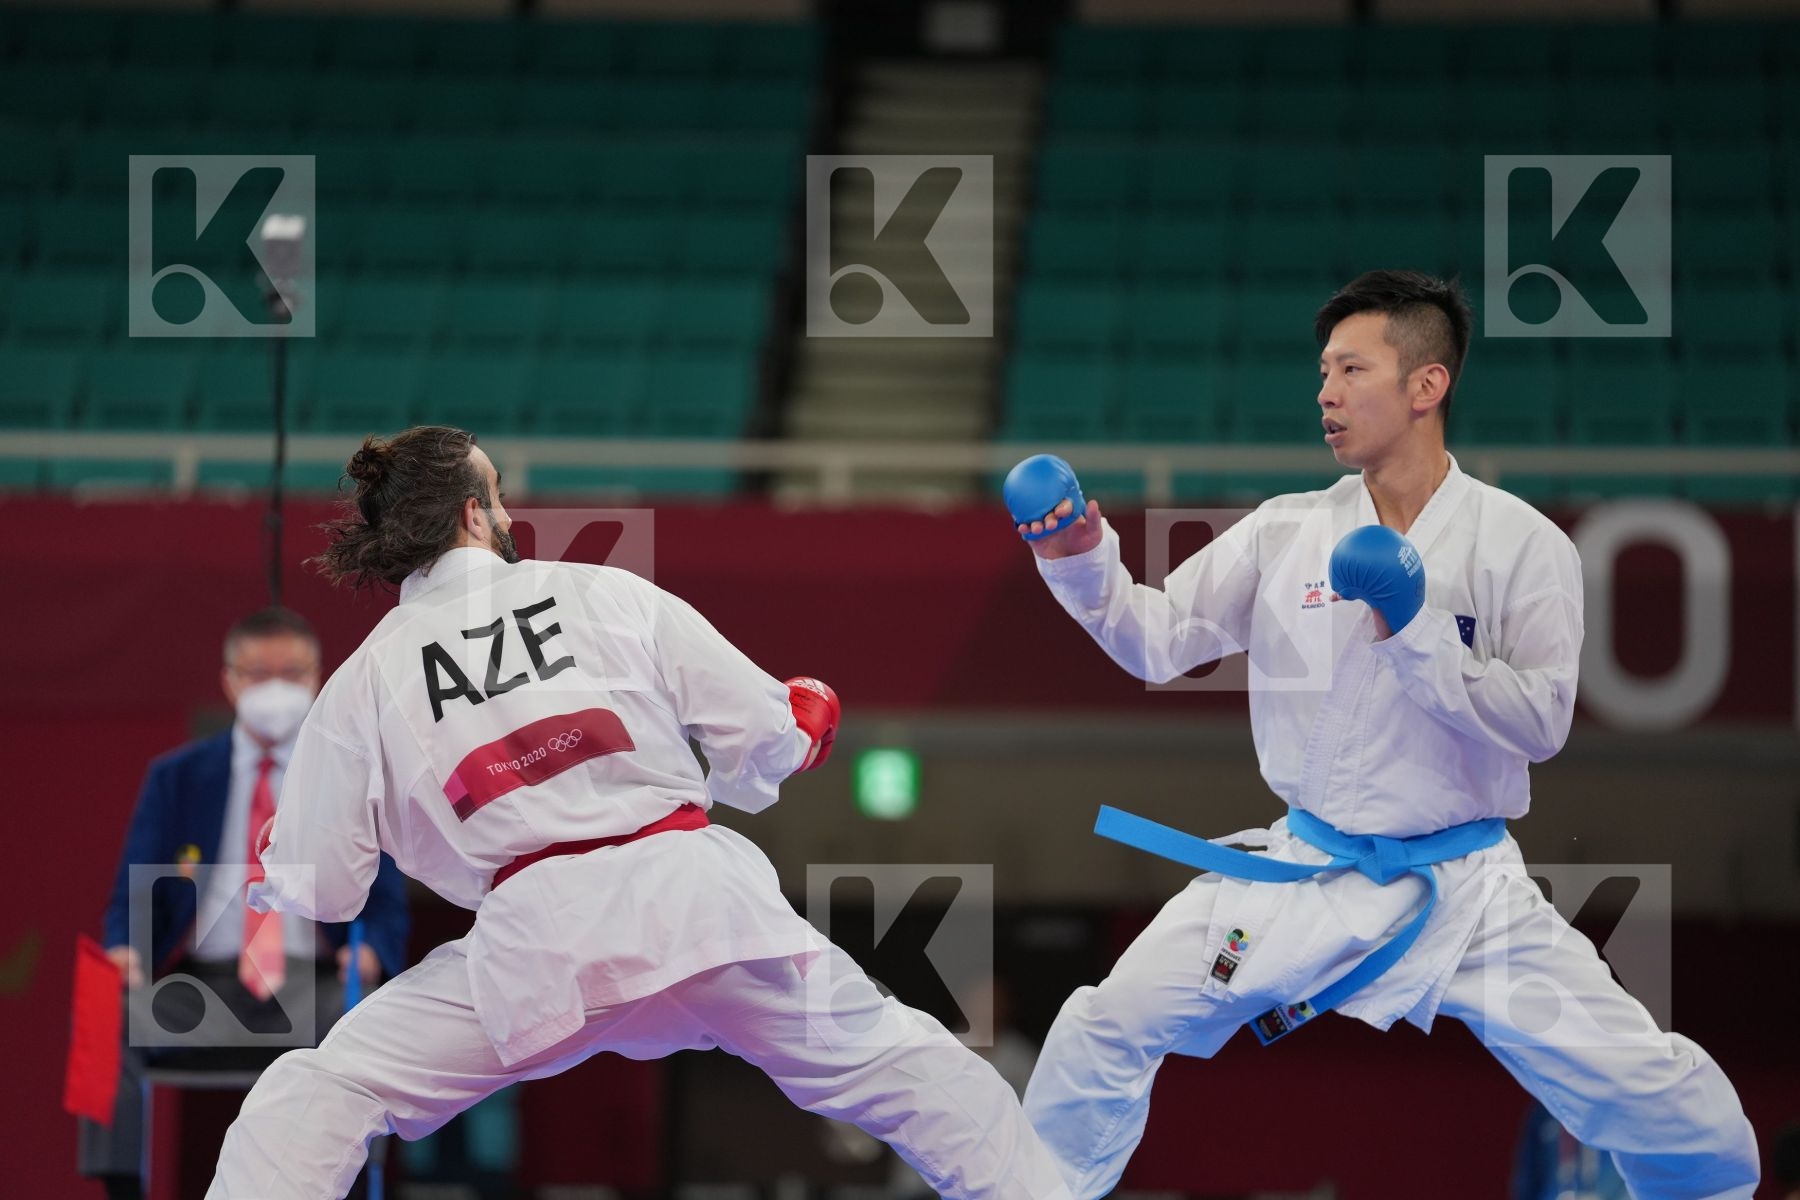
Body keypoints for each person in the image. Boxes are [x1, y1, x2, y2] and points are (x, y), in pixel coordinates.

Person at [1008, 271, 1759, 1199]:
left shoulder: (1522, 546)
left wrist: (1415, 630)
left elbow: (1542, 722)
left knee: (1649, 1088)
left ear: (1425, 385)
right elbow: (1157, 642)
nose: (1325, 391)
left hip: (1467, 891)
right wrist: (1079, 559)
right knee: (1104, 1026)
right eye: (1323, 371)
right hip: (1304, 873)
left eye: (1351, 369)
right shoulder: (1286, 531)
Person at [206, 425, 1071, 1200]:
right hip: (699, 914)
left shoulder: (363, 681)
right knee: (902, 1061)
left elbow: (326, 891)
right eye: (497, 494)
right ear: (472, 515)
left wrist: (280, 856)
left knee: (320, 1091)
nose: (508, 514)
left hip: (538, 955)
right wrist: (804, 722)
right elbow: (763, 731)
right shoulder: (603, 593)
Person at [84, 608, 410, 1200]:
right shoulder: (178, 777)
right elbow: (130, 891)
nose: (275, 687)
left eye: (293, 672)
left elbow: (387, 899)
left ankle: (357, 1183)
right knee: (105, 1007)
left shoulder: (350, 772)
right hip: (200, 991)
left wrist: (370, 953)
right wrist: (124, 949)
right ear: (230, 682)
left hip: (314, 989)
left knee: (366, 1015)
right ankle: (120, 1187)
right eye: (259, 673)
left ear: (318, 678)